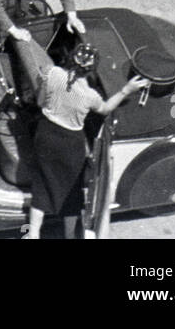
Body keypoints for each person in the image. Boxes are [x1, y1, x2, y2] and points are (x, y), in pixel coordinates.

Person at [14, 29, 146, 239]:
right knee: (71, 191)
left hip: (45, 133)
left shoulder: (53, 73)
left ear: (69, 59)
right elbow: (104, 109)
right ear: (91, 70)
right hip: (70, 143)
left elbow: (42, 88)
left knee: (42, 182)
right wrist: (126, 90)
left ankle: (33, 234)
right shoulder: (89, 95)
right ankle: (69, 236)